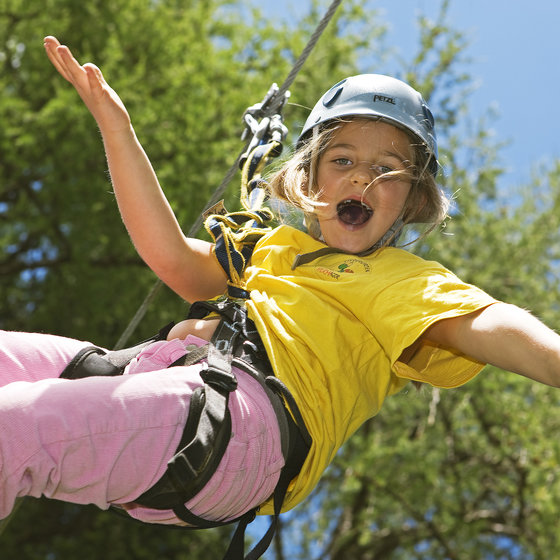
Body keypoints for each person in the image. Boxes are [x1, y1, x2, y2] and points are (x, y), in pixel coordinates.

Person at [2, 35, 559, 558]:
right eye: (341, 160)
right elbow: (170, 257)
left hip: (241, 431)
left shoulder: (398, 278)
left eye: (387, 170)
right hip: (159, 381)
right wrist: (116, 127)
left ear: (412, 201)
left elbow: (490, 326)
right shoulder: (272, 249)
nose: (361, 177)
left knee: (13, 426)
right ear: (309, 180)